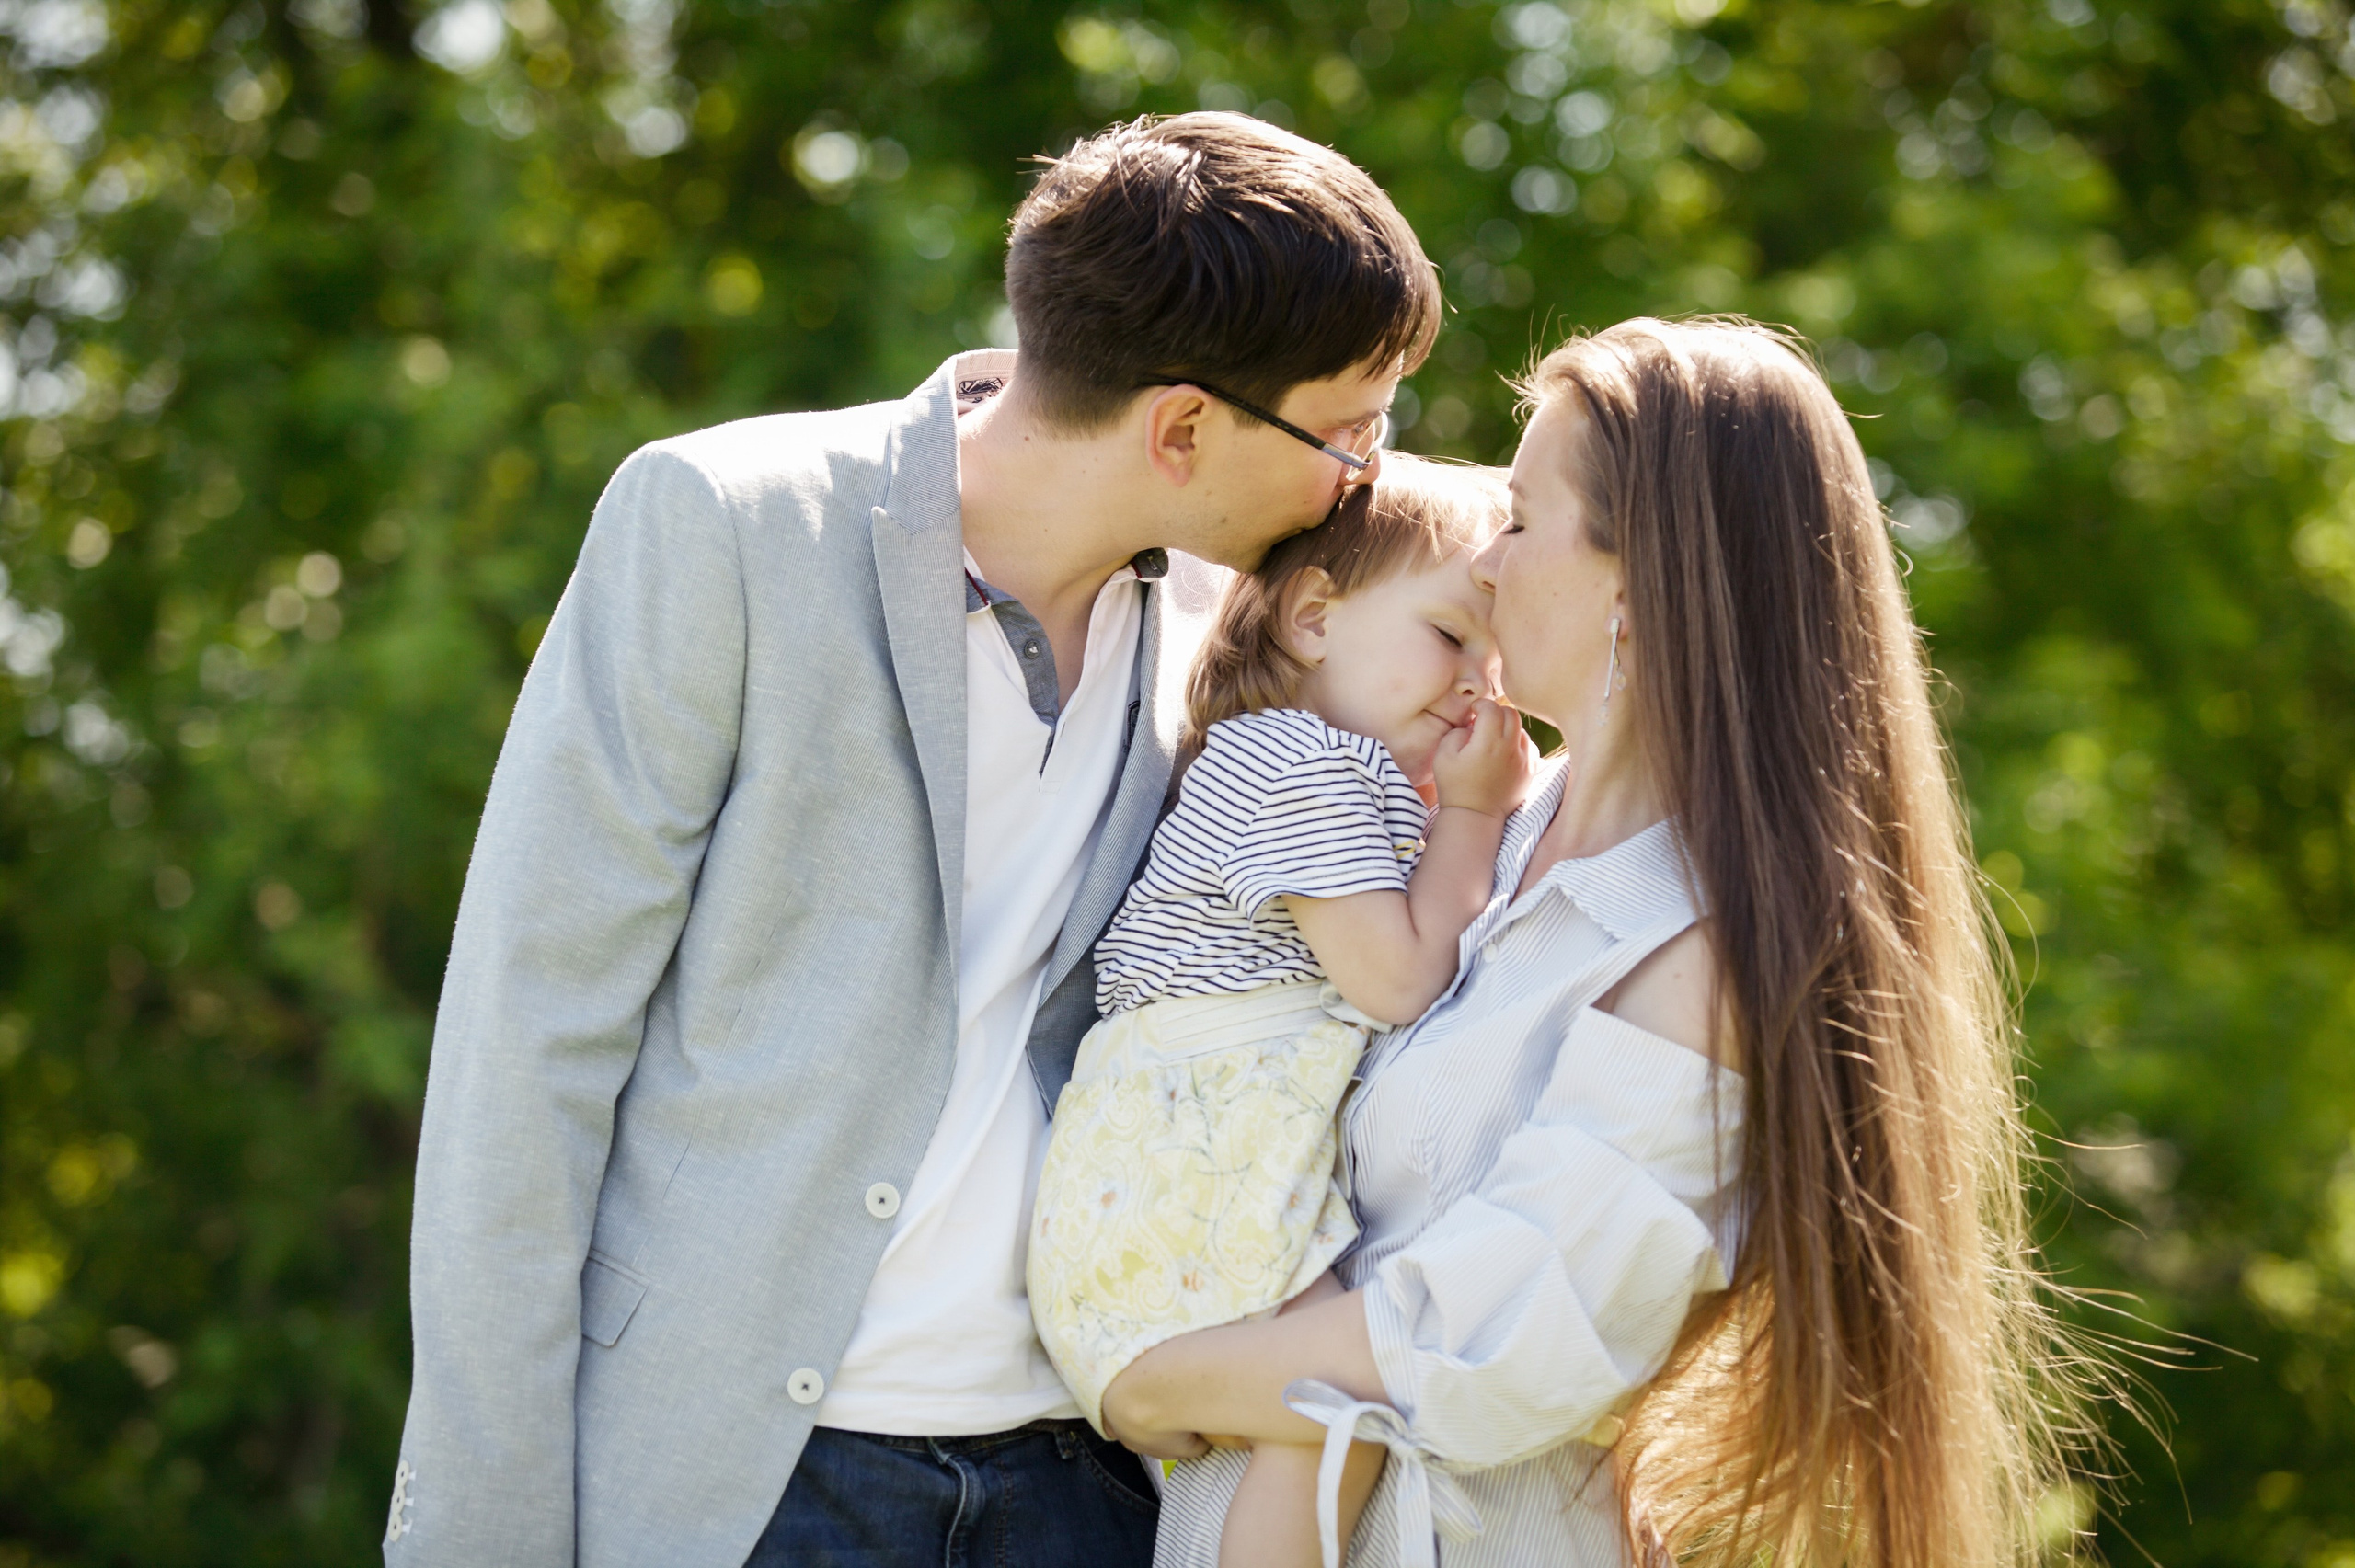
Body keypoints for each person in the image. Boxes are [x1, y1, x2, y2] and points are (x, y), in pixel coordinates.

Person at [384, 112, 1439, 1568]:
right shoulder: (724, 526)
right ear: (1182, 429)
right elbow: (528, 1044)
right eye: (1352, 427)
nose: (1369, 476)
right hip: (741, 1487)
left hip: (1087, 1486)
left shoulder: (1232, 633)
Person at [1106, 318, 2081, 1568]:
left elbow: (1494, 1342)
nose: (1484, 564)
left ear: (1637, 584)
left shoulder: (1702, 954)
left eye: (1517, 519)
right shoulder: (1476, 835)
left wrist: (1151, 1383)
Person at [1028, 457, 1532, 1568]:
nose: (1473, 687)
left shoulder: (1343, 772)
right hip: (1184, 1166)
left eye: (1492, 665)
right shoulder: (1291, 761)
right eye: (1452, 637)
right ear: (1312, 617)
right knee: (1335, 1415)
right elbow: (1401, 978)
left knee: (1332, 1426)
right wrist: (1481, 813)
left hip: (1208, 1164)